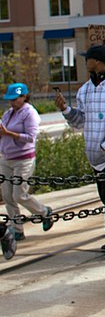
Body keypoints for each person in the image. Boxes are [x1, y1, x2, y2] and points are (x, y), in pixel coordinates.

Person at [56, 44, 105, 259]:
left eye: (88, 58)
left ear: (99, 62)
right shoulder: (86, 89)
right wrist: (66, 110)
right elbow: (81, 121)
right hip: (95, 156)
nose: (85, 62)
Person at [1, 83, 53, 241]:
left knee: (19, 194)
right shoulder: (8, 113)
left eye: (15, 99)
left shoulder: (30, 113)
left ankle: (44, 212)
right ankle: (17, 229)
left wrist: (8, 133)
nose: (12, 102)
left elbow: (30, 137)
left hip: (23, 159)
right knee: (7, 196)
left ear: (24, 97)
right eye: (10, 99)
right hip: (6, 158)